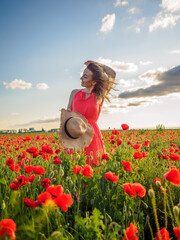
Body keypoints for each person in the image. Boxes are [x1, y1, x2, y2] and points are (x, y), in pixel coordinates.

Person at [66, 60, 116, 164]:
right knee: (74, 167)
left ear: (94, 82)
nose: (81, 78)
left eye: (85, 77)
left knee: (93, 166)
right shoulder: (74, 93)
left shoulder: (99, 96)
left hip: (92, 136)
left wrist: (95, 64)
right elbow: (68, 115)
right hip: (75, 134)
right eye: (82, 75)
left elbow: (112, 73)